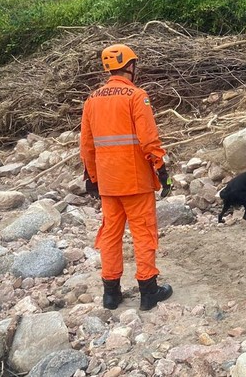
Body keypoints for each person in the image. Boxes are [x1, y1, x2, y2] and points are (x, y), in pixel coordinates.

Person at [80, 43, 174, 311]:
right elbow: (149, 139)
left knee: (110, 234)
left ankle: (111, 294)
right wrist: (162, 170)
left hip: (108, 183)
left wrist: (92, 178)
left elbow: (86, 145)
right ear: (130, 66)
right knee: (143, 233)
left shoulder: (92, 100)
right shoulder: (136, 96)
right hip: (135, 181)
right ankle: (148, 291)